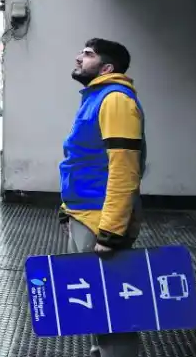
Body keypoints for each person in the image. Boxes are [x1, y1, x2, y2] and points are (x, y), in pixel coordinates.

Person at [61, 38, 145, 357]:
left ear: (107, 68)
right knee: (95, 306)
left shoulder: (116, 100)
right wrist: (66, 209)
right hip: (84, 214)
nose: (79, 58)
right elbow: (82, 159)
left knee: (113, 312)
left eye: (88, 54)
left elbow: (124, 168)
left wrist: (110, 233)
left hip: (101, 220)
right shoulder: (96, 97)